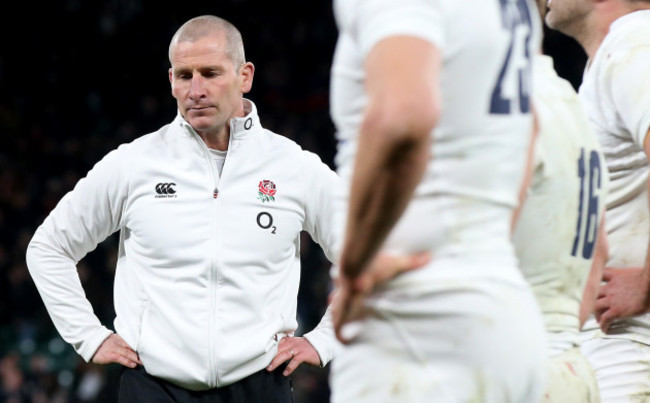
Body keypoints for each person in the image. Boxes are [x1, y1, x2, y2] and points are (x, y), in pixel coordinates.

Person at [26, 14, 344, 402]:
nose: (196, 89)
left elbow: (367, 256)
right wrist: (90, 337)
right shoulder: (134, 163)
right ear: (171, 81)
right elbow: (48, 248)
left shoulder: (294, 167)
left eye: (210, 73)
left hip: (259, 386)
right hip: (152, 387)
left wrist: (325, 340)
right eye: (183, 75)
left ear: (244, 76)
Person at [328, 0, 547, 401]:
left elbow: (403, 117)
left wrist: (354, 269)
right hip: (505, 315)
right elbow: (529, 135)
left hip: (416, 323)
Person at [544, 0, 650, 400]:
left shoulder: (634, 44)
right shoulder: (615, 55)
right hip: (607, 345)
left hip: (631, 345)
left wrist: (645, 284)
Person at [511, 1, 609, 401]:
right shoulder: (571, 100)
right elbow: (600, 250)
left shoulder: (501, 104)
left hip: (513, 370)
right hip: (569, 363)